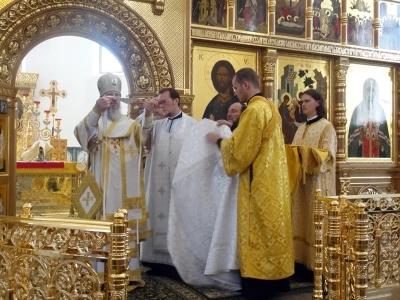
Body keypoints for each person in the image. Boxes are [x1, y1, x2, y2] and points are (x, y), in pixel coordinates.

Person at [206, 68, 294, 299]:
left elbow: (241, 153)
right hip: (272, 182)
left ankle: (259, 286)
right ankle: (278, 281)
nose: (235, 93)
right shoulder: (270, 107)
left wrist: (220, 141)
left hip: (258, 185)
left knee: (257, 235)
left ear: (246, 84)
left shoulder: (254, 110)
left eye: (235, 88)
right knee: (271, 235)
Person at [74, 73, 150, 288]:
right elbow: (80, 134)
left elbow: (145, 136)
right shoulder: (94, 123)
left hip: (125, 190)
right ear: (101, 98)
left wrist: (149, 113)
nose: (114, 99)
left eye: (117, 95)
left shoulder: (131, 125)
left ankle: (128, 273)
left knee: (123, 225)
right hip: (101, 187)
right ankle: (98, 274)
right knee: (101, 224)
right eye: (109, 95)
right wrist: (96, 110)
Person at [168, 118, 241, 290]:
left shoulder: (234, 131)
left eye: (234, 112)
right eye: (229, 111)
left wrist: (220, 139)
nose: (229, 114)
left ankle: (225, 270)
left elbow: (236, 157)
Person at [141, 87, 197, 278]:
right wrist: (148, 113)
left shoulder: (192, 125)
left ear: (176, 101)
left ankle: (177, 263)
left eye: (164, 101)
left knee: (179, 220)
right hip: (158, 184)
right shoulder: (156, 124)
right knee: (157, 216)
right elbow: (142, 140)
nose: (161, 105)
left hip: (180, 185)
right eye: (159, 101)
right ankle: (155, 261)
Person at [290, 89, 337, 277]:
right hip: (300, 185)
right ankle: (299, 262)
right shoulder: (301, 127)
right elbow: (293, 152)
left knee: (315, 222)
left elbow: (328, 155)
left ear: (318, 102)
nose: (303, 104)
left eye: (307, 101)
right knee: (300, 221)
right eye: (302, 101)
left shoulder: (327, 127)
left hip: (317, 183)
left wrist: (305, 154)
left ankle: (316, 265)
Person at [348, 78, 390, 158]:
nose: (370, 93)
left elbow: (386, 142)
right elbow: (350, 143)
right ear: (364, 91)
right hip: (360, 162)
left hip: (378, 164)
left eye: (373, 90)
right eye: (368, 90)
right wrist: (359, 141)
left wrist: (381, 146)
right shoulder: (358, 110)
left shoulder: (380, 111)